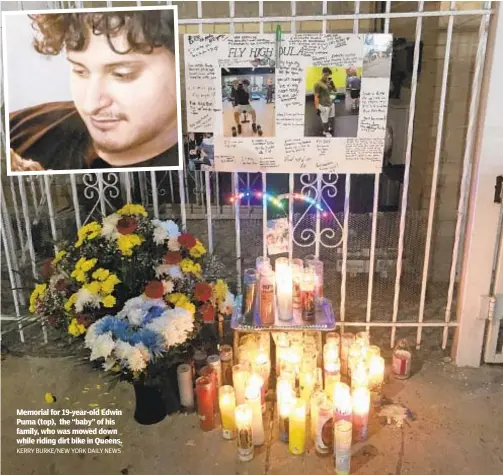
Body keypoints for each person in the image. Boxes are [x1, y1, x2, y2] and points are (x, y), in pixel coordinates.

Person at [8, 10, 180, 172]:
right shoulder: (16, 129)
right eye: (79, 71)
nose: (90, 106)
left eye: (122, 74)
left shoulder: (201, 158)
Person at [314, 67, 337, 137]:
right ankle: (326, 132)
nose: (327, 77)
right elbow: (316, 96)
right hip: (323, 105)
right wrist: (317, 107)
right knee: (325, 120)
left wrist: (332, 85)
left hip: (331, 103)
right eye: (326, 75)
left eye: (328, 75)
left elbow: (335, 90)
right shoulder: (318, 84)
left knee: (332, 118)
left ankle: (328, 128)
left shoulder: (329, 82)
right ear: (322, 73)